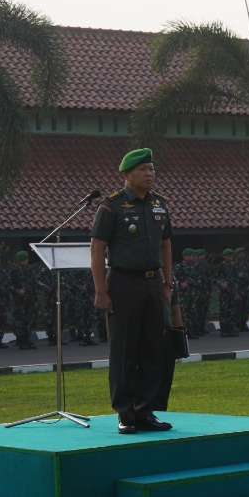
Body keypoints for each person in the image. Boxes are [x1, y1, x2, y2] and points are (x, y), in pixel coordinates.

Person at [90, 148, 175, 435]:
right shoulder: (111, 207)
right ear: (126, 174)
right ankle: (125, 413)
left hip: (153, 283)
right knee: (124, 350)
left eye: (152, 169)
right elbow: (97, 249)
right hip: (123, 283)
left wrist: (167, 284)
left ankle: (145, 411)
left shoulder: (160, 205)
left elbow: (166, 245)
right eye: (143, 170)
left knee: (154, 349)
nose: (150, 174)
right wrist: (101, 291)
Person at [216, 248, 240, 336]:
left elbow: (236, 280)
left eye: (232, 256)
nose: (231, 258)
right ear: (224, 257)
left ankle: (231, 329)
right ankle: (224, 330)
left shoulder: (234, 266)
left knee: (232, 312)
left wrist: (236, 292)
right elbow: (214, 278)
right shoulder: (221, 267)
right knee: (224, 312)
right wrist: (221, 283)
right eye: (229, 256)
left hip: (232, 293)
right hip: (224, 293)